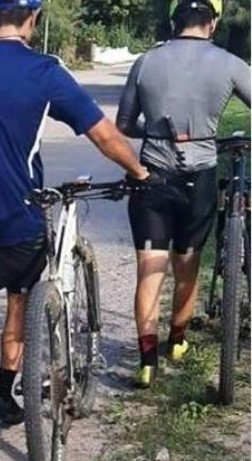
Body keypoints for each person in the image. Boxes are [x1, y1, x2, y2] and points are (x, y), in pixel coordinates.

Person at [0, 0, 154, 449]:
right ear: (32, 18)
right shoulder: (44, 71)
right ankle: (2, 398)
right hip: (19, 218)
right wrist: (141, 172)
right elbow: (104, 134)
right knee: (18, 306)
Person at [116, 0, 250, 388]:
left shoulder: (145, 62)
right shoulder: (228, 63)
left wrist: (156, 132)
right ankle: (176, 341)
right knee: (186, 266)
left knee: (149, 269)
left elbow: (124, 123)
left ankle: (146, 362)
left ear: (173, 20)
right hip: (200, 177)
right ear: (214, 22)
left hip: (151, 176)